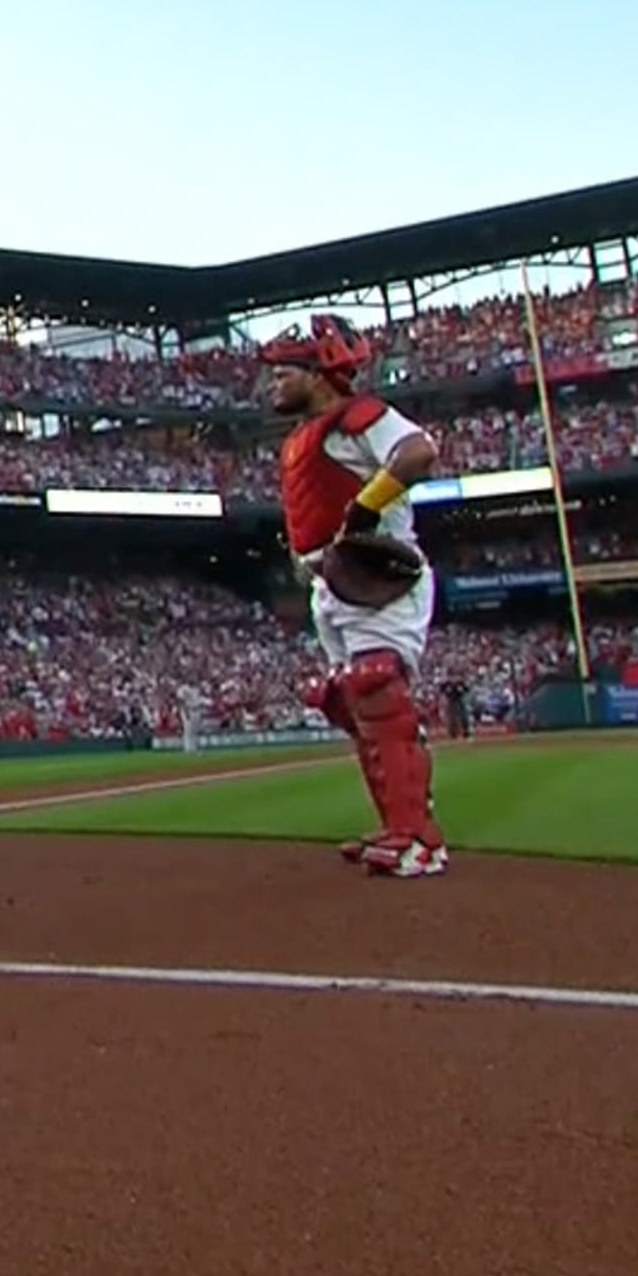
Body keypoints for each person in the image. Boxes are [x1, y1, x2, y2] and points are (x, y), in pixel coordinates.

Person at [264, 315, 447, 879]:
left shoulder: (363, 415)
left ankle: (416, 839)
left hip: (376, 572)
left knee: (376, 694)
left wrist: (366, 505)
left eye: (285, 372)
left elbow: (419, 453)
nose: (275, 383)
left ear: (319, 374)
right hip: (333, 583)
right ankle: (401, 826)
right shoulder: (306, 437)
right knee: (350, 703)